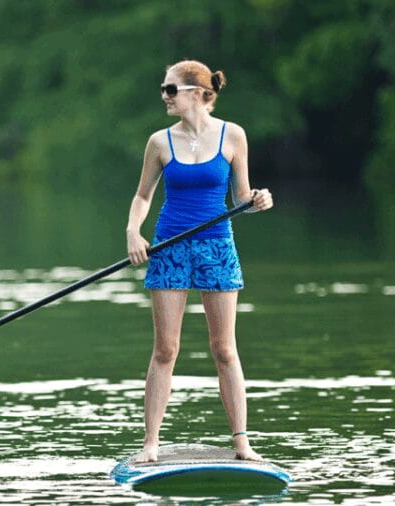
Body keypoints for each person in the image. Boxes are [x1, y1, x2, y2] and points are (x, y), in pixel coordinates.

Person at [125, 60, 273, 462]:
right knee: (165, 350)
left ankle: (242, 442)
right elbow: (143, 196)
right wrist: (133, 233)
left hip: (217, 247)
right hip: (170, 247)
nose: (164, 97)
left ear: (193, 92)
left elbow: (241, 199)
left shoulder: (233, 136)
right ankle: (150, 445)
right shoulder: (159, 142)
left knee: (225, 349)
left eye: (169, 89)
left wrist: (259, 200)